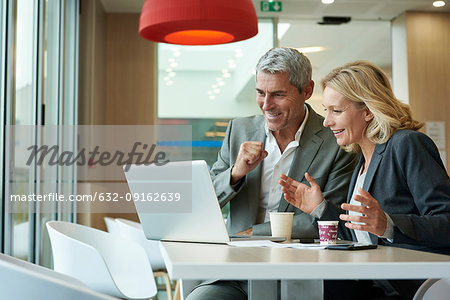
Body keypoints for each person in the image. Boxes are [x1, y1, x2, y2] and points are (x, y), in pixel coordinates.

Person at [187, 48, 357, 299]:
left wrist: (254, 233)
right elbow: (205, 202)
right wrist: (235, 173)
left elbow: (329, 219)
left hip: (301, 275)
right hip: (237, 273)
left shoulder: (336, 141)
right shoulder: (238, 130)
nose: (266, 105)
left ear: (307, 91)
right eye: (260, 93)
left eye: (278, 94)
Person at [279, 60, 450, 300]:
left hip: (407, 285)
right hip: (371, 279)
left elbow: (446, 221)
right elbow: (360, 236)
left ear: (369, 110)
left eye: (336, 111)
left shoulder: (406, 144)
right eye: (326, 110)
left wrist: (388, 224)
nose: (327, 121)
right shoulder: (362, 160)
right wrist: (320, 208)